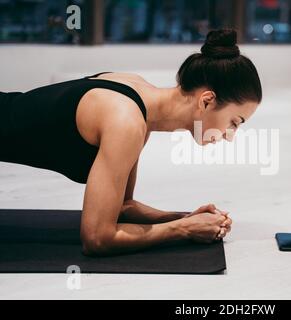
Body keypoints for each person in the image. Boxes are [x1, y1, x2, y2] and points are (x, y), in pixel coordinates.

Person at [0, 29, 263, 256]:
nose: (230, 135)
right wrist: (183, 230)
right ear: (206, 101)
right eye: (234, 122)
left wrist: (184, 218)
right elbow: (97, 238)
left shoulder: (139, 99)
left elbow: (123, 207)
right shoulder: (126, 120)